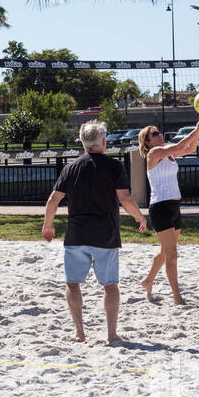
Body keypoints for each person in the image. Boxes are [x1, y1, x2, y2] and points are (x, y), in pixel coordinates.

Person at [41, 120, 146, 343]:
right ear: (104, 142)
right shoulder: (114, 166)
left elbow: (53, 200)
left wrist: (48, 225)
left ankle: (80, 332)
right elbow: (125, 198)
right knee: (110, 285)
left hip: (77, 234)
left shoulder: (71, 167)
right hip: (105, 234)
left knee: (73, 283)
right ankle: (111, 334)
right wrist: (139, 217)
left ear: (83, 142)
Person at [138, 116, 199, 305]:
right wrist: (196, 128)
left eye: (159, 132)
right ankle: (177, 297)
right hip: (160, 208)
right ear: (147, 141)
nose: (159, 135)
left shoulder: (167, 155)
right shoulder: (154, 153)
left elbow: (190, 148)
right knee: (172, 255)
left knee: (165, 252)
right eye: (154, 134)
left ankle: (148, 281)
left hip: (174, 207)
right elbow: (178, 147)